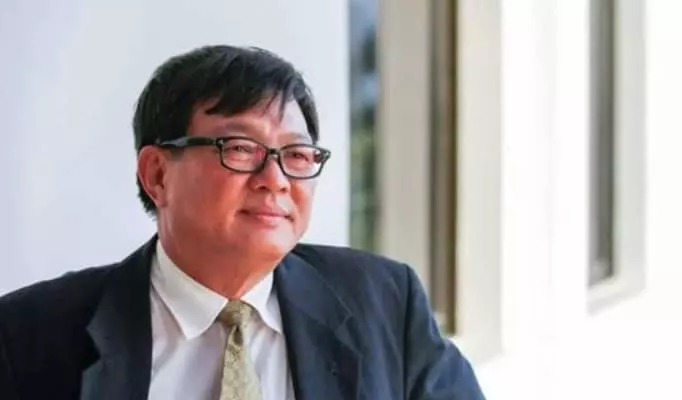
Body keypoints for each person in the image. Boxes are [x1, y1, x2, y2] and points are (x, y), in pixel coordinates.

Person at [0, 45, 485, 399]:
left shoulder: (386, 304)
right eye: (240, 148)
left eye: (296, 155)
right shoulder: (29, 336)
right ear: (157, 174)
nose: (275, 180)